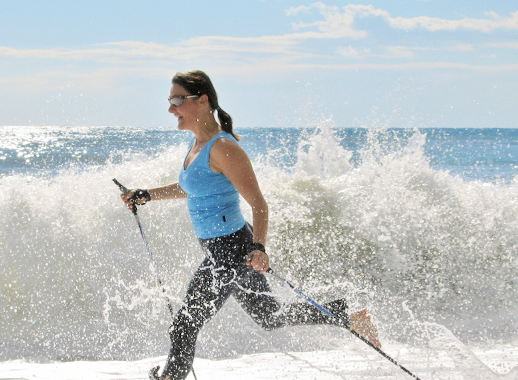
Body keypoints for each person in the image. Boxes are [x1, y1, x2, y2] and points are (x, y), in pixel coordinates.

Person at [121, 70, 379, 380]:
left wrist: (259, 247)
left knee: (184, 323)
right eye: (170, 100)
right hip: (222, 249)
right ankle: (349, 316)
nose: (171, 108)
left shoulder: (223, 148)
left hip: (230, 250)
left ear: (202, 101)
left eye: (177, 100)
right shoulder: (198, 146)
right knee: (270, 316)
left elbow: (258, 203)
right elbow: (191, 188)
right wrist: (147, 195)